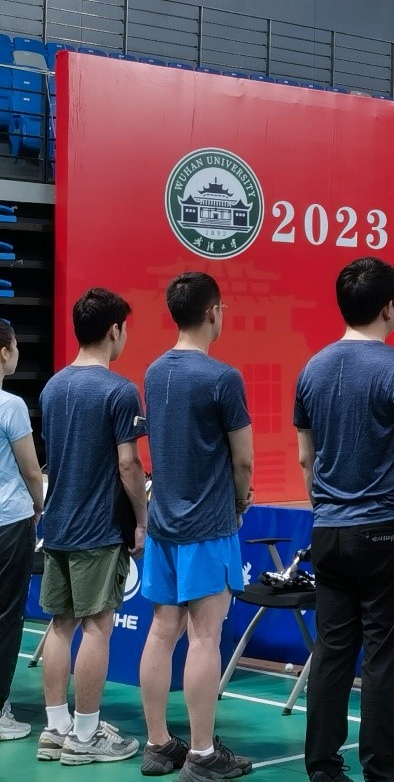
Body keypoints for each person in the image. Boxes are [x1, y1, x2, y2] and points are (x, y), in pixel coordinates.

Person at [295, 257, 394, 782]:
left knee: (333, 652)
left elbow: (306, 459)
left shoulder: (312, 369)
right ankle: (379, 772)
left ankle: (322, 768)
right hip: (389, 530)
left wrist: (327, 512)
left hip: (329, 531)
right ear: (389, 307)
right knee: (386, 658)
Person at [138, 273, 254, 781]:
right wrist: (241, 501)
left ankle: (157, 744)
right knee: (205, 638)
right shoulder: (222, 378)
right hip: (208, 526)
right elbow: (243, 460)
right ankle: (203, 754)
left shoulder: (153, 371)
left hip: (163, 525)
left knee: (162, 632)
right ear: (212, 312)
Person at [38, 288, 147, 765]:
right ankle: (85, 736)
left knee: (60, 625)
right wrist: (141, 519)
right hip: (98, 530)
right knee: (97, 629)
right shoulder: (120, 391)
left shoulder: (52, 388)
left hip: (57, 526)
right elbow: (128, 464)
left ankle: (55, 729)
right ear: (114, 330)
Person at [0, 321, 43, 743]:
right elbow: (31, 470)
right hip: (9, 525)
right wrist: (39, 504)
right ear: (4, 352)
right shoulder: (10, 405)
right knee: (7, 617)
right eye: (14, 346)